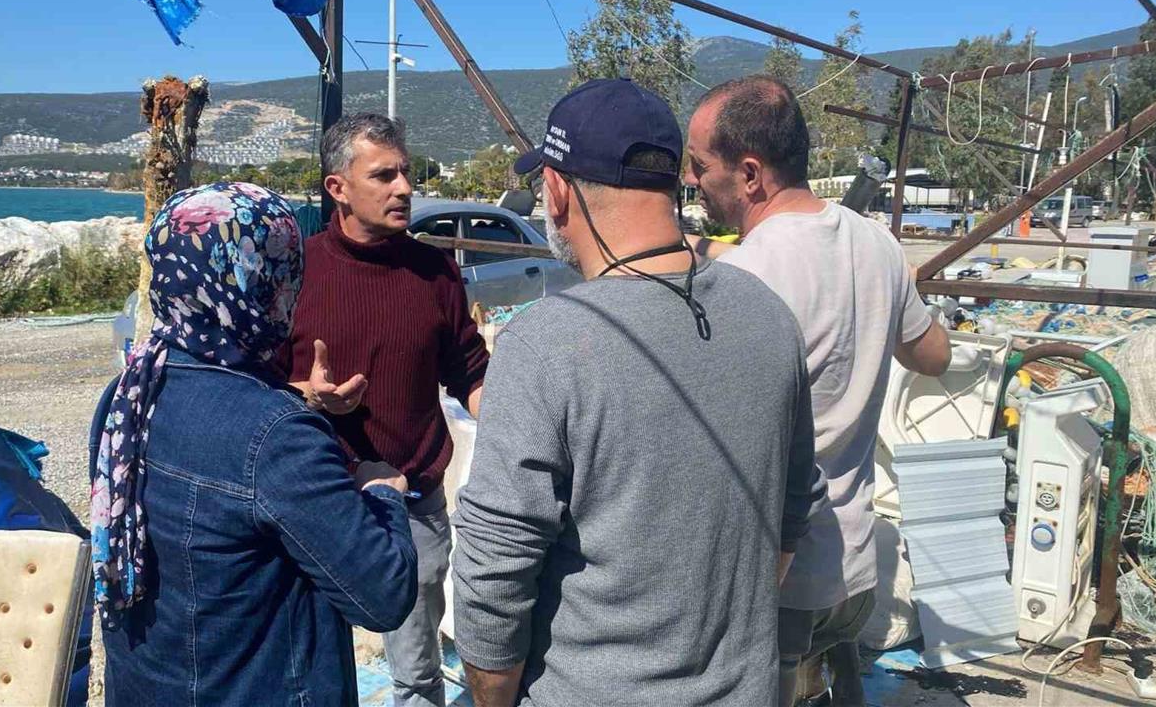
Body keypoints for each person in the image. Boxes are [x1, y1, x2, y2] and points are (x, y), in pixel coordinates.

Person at [451, 78, 824, 707]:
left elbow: (494, 571)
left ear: (558, 191)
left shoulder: (544, 343)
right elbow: (795, 503)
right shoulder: (769, 315)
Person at [90, 182, 417, 706]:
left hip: (148, 686)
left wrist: (294, 396)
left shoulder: (129, 393)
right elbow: (383, 596)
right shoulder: (278, 436)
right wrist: (383, 493)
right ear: (263, 283)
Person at [685, 75, 952, 706]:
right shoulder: (876, 242)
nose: (691, 181)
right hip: (856, 567)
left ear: (750, 174)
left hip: (783, 577)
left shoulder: (740, 282)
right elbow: (935, 356)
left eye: (699, 165)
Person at [281, 114, 490, 707]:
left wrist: (521, 428)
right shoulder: (294, 272)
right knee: (309, 666)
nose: (404, 188)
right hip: (313, 502)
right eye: (384, 175)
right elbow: (250, 386)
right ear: (338, 188)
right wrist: (306, 395)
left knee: (417, 674)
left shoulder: (435, 272)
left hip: (414, 497)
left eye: (406, 172)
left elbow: (469, 371)